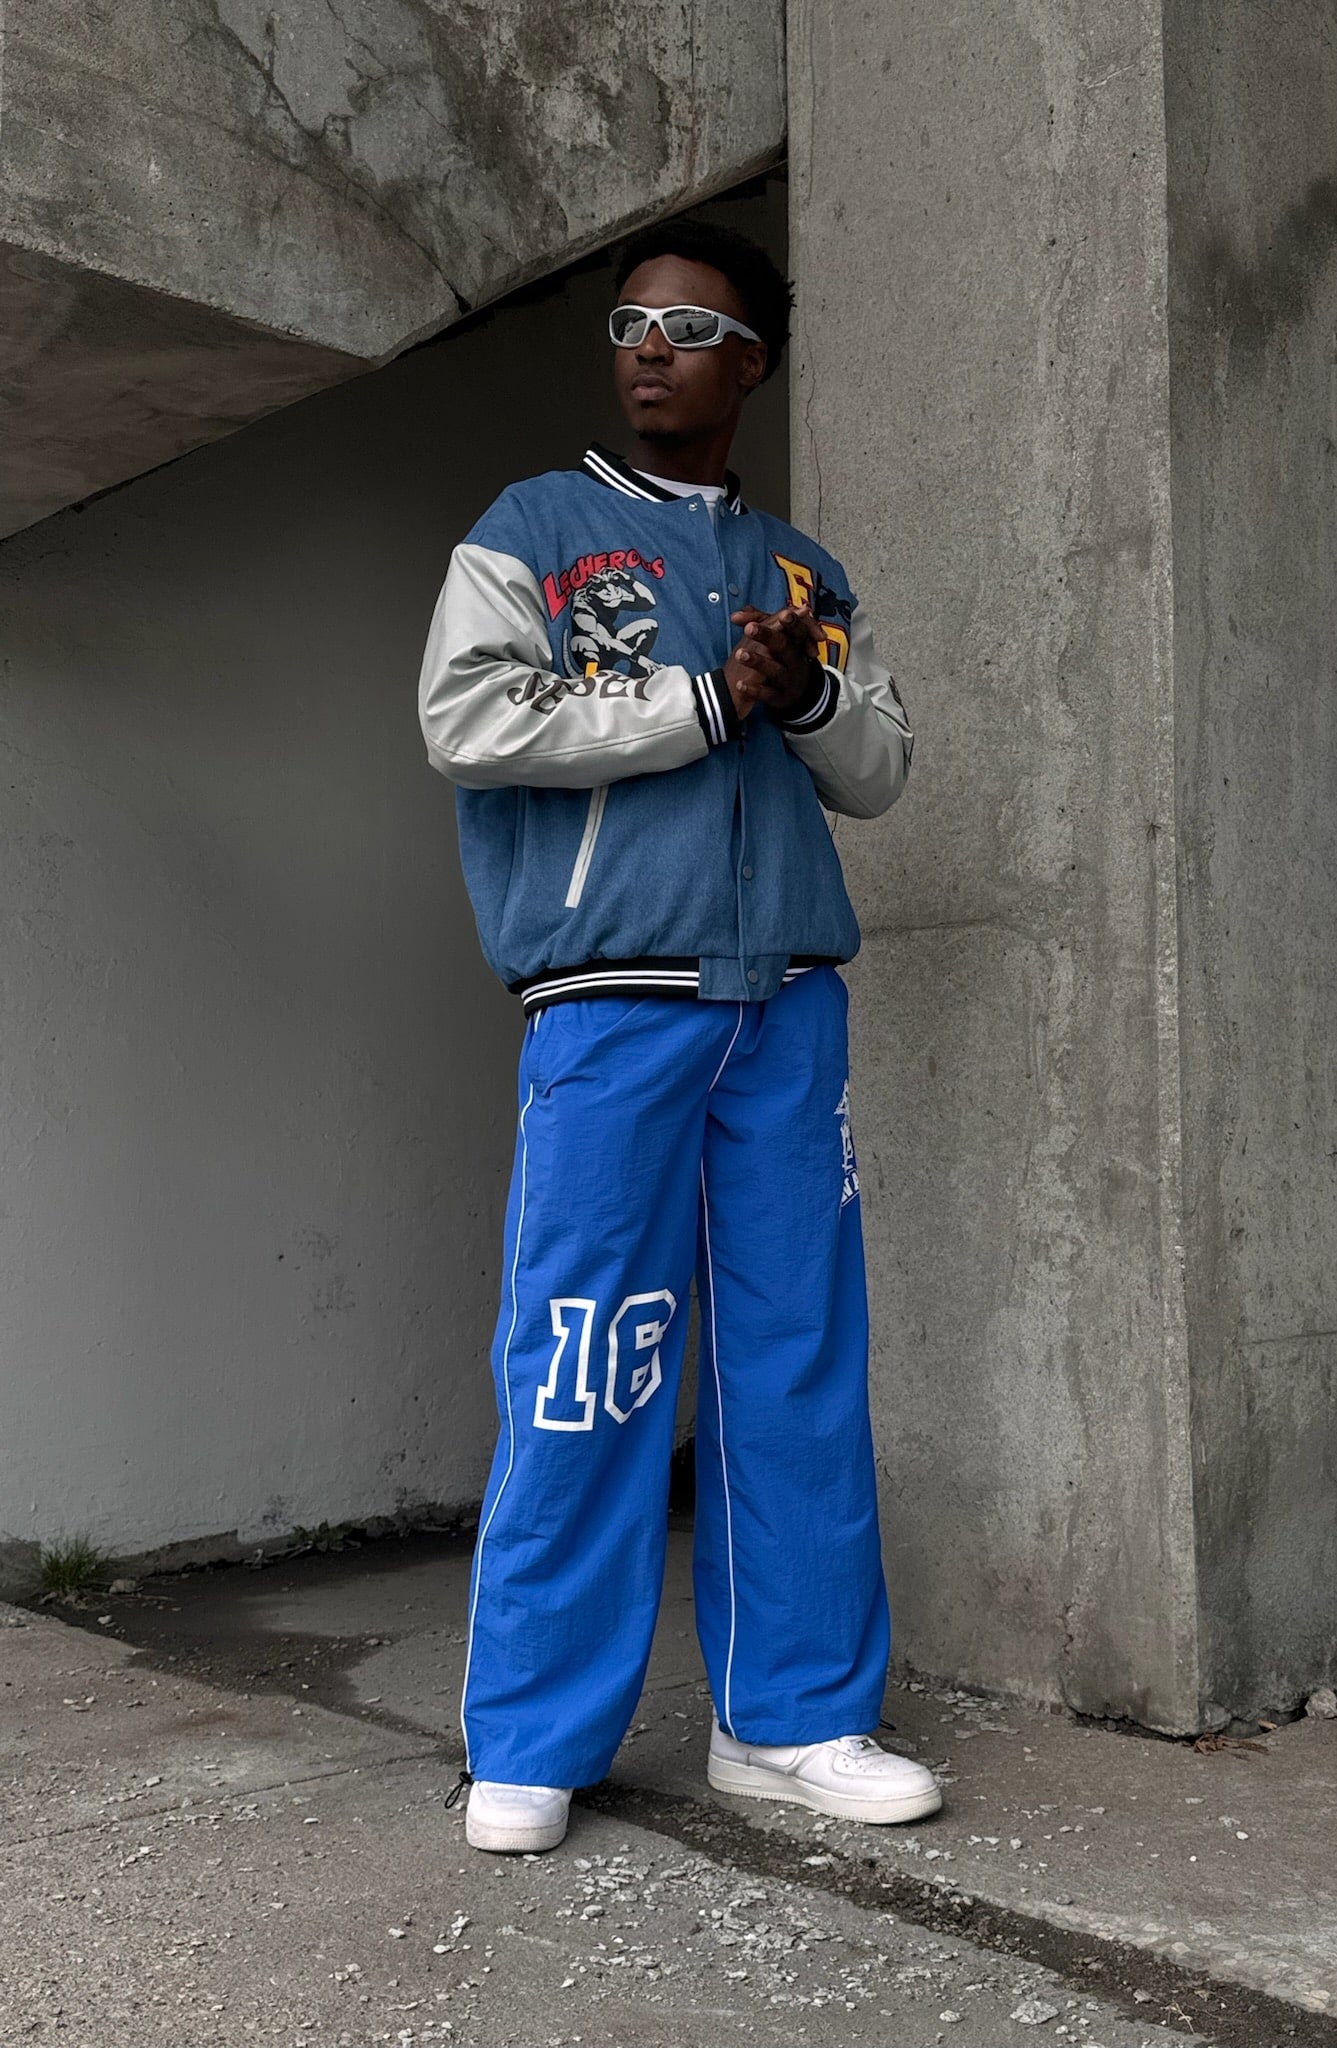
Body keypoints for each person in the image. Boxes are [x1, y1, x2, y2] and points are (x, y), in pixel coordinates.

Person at [418, 218, 936, 1855]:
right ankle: (532, 1737)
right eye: (631, 326)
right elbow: (466, 718)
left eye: (690, 330)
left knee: (796, 1358)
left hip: (787, 1002)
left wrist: (803, 694)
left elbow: (882, 771)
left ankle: (793, 1719)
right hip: (610, 1001)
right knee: (587, 1355)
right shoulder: (532, 530)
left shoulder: (805, 574)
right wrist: (702, 703)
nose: (650, 350)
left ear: (751, 364)